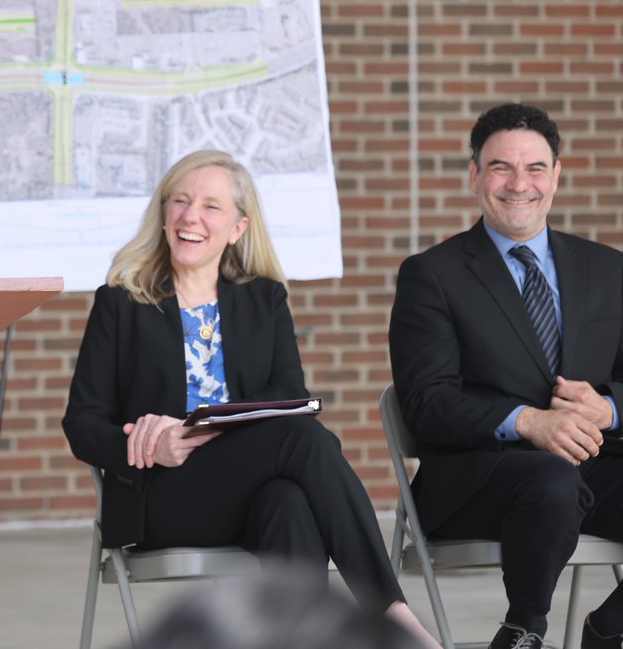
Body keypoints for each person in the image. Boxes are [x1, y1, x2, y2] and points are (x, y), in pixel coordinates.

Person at [63, 149, 441, 648]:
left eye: (210, 206)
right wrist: (148, 445)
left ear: (238, 227)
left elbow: (287, 393)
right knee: (303, 437)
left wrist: (205, 428)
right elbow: (82, 423)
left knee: (289, 504)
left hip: (243, 493)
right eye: (179, 201)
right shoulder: (121, 300)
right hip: (161, 499)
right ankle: (392, 616)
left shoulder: (264, 298)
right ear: (163, 212)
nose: (190, 216)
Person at [389, 103, 623, 649]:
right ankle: (524, 629)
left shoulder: (605, 268)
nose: (518, 184)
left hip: (586, 465)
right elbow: (426, 404)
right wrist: (526, 421)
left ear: (556, 175)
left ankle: (615, 622)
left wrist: (609, 409)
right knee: (550, 482)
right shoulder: (432, 275)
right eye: (500, 167)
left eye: (534, 168)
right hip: (478, 478)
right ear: (475, 176)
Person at [128, 565, 421, 649]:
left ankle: (309, 635)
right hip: (159, 484)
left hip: (246, 479)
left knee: (289, 500)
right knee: (311, 441)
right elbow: (85, 424)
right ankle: (389, 609)